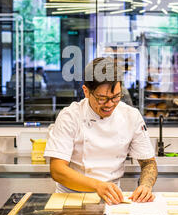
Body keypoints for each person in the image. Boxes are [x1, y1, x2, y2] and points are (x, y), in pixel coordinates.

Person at [44, 57, 158, 205]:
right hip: (71, 201)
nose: (110, 104)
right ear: (86, 91)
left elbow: (149, 163)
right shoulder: (70, 116)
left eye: (116, 97)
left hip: (113, 201)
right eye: (102, 98)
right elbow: (57, 170)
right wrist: (98, 186)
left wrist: (145, 186)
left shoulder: (131, 116)